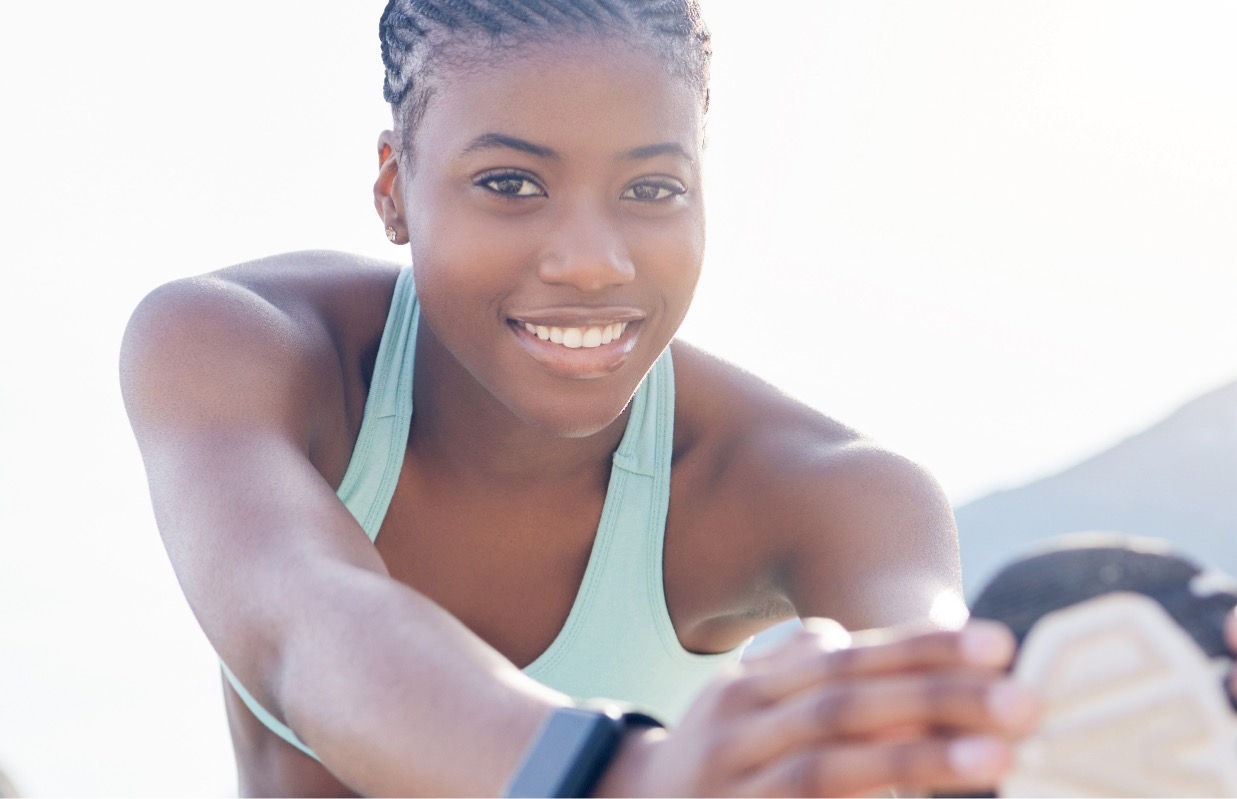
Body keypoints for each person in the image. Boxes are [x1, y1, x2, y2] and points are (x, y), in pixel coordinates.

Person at [116, 1, 1237, 795]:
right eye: (510, 183)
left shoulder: (829, 492)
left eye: (652, 188)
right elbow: (303, 622)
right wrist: (620, 771)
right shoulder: (237, 346)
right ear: (393, 187)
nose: (593, 260)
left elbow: (913, 662)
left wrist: (993, 715)